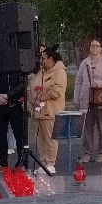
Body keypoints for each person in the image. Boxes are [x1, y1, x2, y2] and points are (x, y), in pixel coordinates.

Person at [75, 38, 102, 164]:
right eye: (92, 46)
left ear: (101, 48)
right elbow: (78, 82)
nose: (94, 48)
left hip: (101, 99)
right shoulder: (85, 63)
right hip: (87, 100)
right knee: (87, 128)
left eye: (96, 46)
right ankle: (87, 153)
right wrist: (76, 98)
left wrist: (98, 83)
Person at [0, 58, 28, 172]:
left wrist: (8, 95)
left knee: (19, 135)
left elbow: (22, 84)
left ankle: (22, 163)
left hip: (14, 104)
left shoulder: (18, 63)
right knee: (1, 135)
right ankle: (3, 163)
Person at [28, 45, 67, 173]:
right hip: (37, 111)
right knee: (40, 139)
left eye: (44, 58)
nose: (42, 61)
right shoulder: (40, 72)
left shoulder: (59, 72)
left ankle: (50, 163)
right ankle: (43, 162)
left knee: (50, 139)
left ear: (51, 59)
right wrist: (32, 99)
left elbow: (57, 91)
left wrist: (41, 97)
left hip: (50, 111)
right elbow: (31, 87)